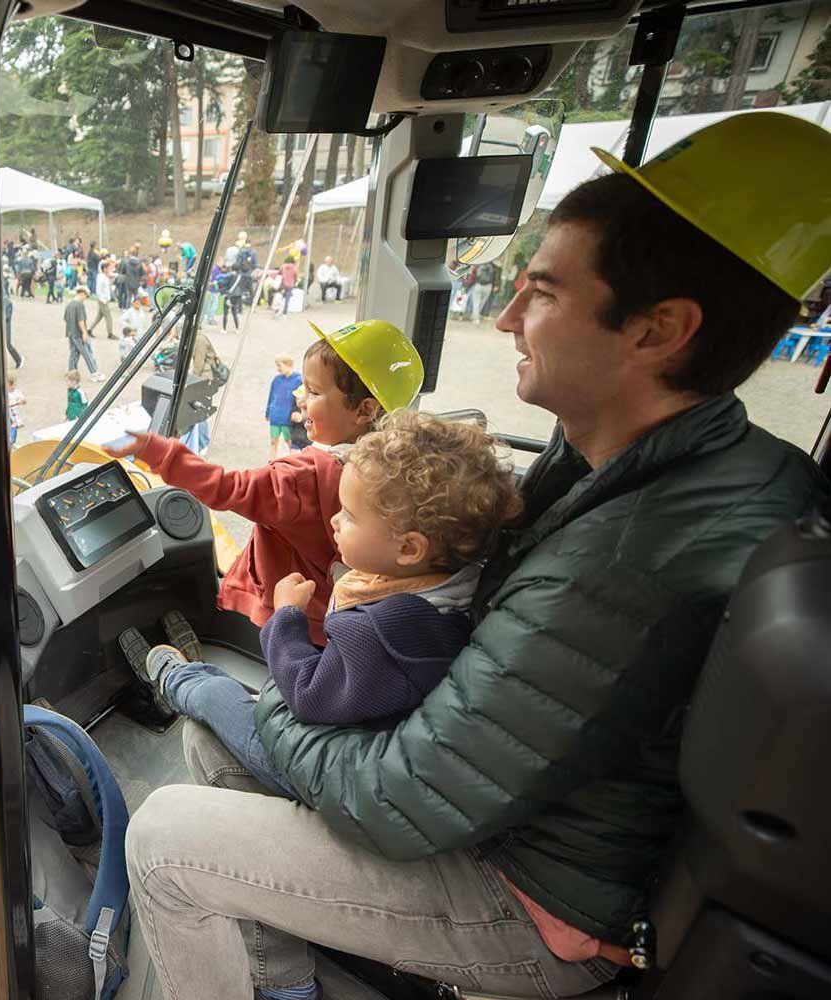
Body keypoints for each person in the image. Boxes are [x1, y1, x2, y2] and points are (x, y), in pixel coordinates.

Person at [123, 113, 831, 1000]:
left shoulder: (631, 553)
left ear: (658, 331)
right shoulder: (658, 468)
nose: (503, 317)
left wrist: (255, 707)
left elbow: (404, 796)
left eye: (540, 291)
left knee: (165, 837)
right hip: (523, 824)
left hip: (531, 900)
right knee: (212, 741)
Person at [121, 411, 522, 799]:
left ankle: (171, 676)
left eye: (347, 516)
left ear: (409, 548)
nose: (333, 523)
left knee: (212, 696)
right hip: (361, 734)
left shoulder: (382, 632)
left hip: (316, 767)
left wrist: (287, 616)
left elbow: (308, 693)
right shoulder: (448, 592)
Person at [106, 320, 423, 645]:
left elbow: (227, 488)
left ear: (364, 410)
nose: (301, 397)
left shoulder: (303, 476)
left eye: (314, 391)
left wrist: (158, 451)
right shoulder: (400, 470)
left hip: (281, 616)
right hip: (328, 620)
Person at [264, 353, 302, 460]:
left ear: (288, 365)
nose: (278, 369)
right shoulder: (276, 380)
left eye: (279, 365)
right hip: (275, 416)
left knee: (290, 442)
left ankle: (293, 463)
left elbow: (301, 398)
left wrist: (298, 412)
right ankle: (271, 463)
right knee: (273, 442)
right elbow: (271, 396)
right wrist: (268, 412)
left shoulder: (298, 380)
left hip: (288, 418)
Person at [63, 287, 101, 382]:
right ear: (83, 293)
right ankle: (94, 372)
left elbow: (65, 319)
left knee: (74, 354)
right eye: (86, 296)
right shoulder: (79, 305)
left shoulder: (69, 304)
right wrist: (84, 332)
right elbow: (81, 320)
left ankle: (71, 372)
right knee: (86, 353)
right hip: (78, 333)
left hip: (70, 332)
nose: (86, 298)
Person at [0, 268, 23, 368]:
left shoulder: (5, 298)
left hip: (5, 314)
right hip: (4, 311)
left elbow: (7, 303)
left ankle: (18, 359)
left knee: (8, 344)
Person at [89, 270, 115, 340]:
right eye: (109, 268)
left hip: (105, 299)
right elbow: (98, 289)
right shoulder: (101, 278)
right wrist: (102, 299)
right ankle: (110, 333)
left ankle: (89, 329)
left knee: (99, 317)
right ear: (105, 269)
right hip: (103, 300)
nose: (111, 269)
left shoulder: (105, 277)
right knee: (108, 317)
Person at [6, 373, 26, 448]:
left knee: (13, 428)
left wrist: (20, 401)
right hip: (8, 415)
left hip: (14, 415)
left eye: (13, 385)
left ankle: (12, 443)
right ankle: (10, 443)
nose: (12, 387)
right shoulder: (5, 393)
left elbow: (24, 401)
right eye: (10, 385)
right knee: (10, 428)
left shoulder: (16, 392)